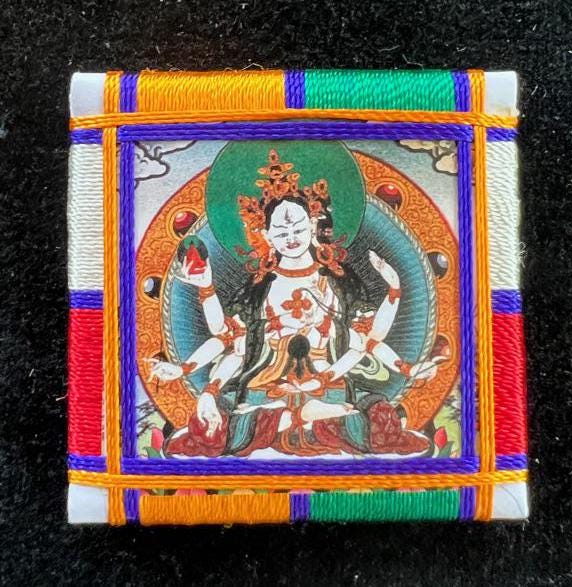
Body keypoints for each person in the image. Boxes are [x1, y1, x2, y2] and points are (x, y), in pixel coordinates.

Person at [148, 149, 438, 457]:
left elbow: (368, 341)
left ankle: (298, 417)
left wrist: (395, 298)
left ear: (313, 226)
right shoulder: (260, 287)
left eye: (298, 228)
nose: (291, 237)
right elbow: (228, 342)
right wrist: (197, 379)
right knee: (212, 428)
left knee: (380, 419)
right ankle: (299, 417)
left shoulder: (337, 281)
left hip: (328, 382)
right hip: (266, 387)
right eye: (281, 231)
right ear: (266, 235)